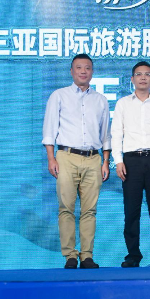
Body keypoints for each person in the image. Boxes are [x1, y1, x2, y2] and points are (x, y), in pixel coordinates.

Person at [42, 53, 110, 269]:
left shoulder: (100, 100)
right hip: (66, 157)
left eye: (87, 68)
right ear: (71, 71)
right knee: (66, 208)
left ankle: (87, 255)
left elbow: (105, 134)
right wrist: (51, 158)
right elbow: (49, 129)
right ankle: (70, 255)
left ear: (92, 72)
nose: (83, 71)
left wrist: (105, 161)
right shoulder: (59, 96)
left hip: (93, 158)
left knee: (90, 210)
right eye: (79, 67)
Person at [111, 61, 150, 268]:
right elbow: (116, 134)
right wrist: (118, 161)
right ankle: (133, 256)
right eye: (139, 74)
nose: (143, 77)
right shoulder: (123, 104)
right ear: (132, 79)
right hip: (131, 161)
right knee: (132, 211)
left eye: (147, 74)